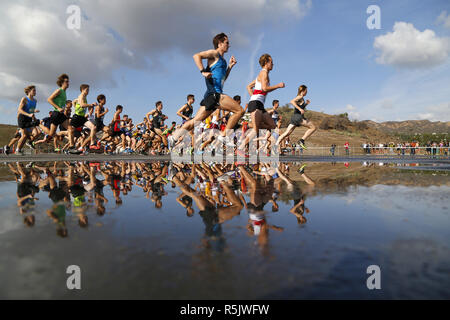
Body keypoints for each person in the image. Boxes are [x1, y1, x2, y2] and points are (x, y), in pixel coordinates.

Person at [170, 33, 244, 147]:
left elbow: (223, 79)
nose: (229, 45)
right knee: (239, 111)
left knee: (194, 122)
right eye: (227, 42)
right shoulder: (214, 54)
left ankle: (174, 137)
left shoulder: (223, 61)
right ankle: (224, 136)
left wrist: (230, 66)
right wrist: (202, 71)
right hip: (215, 93)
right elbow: (196, 56)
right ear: (220, 44)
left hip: (211, 95)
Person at [239, 54, 284, 151]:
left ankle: (250, 125)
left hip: (259, 104)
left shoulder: (261, 74)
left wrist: (254, 96)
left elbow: (248, 87)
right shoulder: (264, 73)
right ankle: (240, 148)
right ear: (266, 63)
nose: (273, 64)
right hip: (255, 104)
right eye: (271, 62)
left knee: (272, 126)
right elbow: (264, 88)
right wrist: (278, 86)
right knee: (255, 131)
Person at [276, 85, 316, 150]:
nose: (307, 92)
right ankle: (302, 140)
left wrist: (306, 104)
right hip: (298, 118)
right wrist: (300, 109)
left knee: (286, 133)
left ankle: (275, 145)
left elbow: (300, 106)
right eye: (306, 91)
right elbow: (292, 101)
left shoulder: (301, 98)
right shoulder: (300, 97)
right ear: (303, 91)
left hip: (294, 118)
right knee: (313, 127)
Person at [15, 85, 40, 155]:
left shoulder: (35, 101)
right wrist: (29, 114)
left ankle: (29, 142)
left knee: (37, 133)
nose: (35, 92)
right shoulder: (24, 99)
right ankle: (18, 150)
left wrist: (34, 117)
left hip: (29, 118)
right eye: (34, 90)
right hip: (22, 118)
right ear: (29, 91)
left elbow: (30, 110)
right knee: (24, 136)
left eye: (35, 90)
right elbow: (19, 109)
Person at [47, 74, 70, 144]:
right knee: (51, 134)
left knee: (71, 129)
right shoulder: (59, 90)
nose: (68, 83)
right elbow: (49, 99)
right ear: (62, 83)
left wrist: (65, 106)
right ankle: (39, 125)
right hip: (56, 114)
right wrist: (58, 108)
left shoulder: (64, 92)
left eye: (68, 81)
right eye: (66, 81)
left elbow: (61, 102)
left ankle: (72, 147)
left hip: (61, 114)